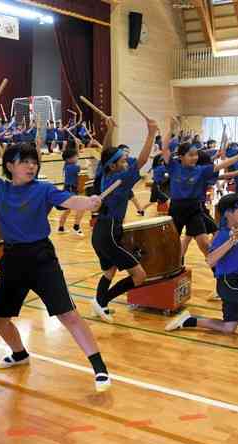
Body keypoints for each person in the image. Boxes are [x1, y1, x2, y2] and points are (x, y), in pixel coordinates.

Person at [0, 115, 112, 392]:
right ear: (10, 166)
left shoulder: (43, 189)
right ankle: (19, 354)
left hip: (42, 258)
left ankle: (99, 368)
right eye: (24, 161)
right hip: (13, 260)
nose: (31, 166)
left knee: (68, 315)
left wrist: (89, 202)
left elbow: (68, 199)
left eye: (34, 162)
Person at [165, 193, 238, 347]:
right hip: (230, 284)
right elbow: (210, 259)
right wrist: (231, 241)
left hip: (235, 282)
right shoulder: (224, 234)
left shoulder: (237, 230)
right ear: (228, 213)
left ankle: (189, 321)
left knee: (229, 328)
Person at [90, 115, 158, 323]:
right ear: (113, 166)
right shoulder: (120, 179)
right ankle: (102, 301)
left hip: (102, 231)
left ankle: (100, 303)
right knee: (139, 275)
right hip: (109, 232)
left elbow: (104, 154)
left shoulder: (104, 172)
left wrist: (109, 129)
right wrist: (151, 133)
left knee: (109, 271)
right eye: (121, 160)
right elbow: (143, 161)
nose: (126, 161)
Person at [57, 148, 86, 236]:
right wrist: (88, 163)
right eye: (75, 156)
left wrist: (77, 145)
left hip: (68, 189)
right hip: (70, 190)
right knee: (82, 207)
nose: (77, 157)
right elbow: (84, 167)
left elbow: (77, 156)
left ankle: (61, 228)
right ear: (69, 159)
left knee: (67, 210)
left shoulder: (66, 165)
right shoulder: (73, 167)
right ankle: (76, 228)